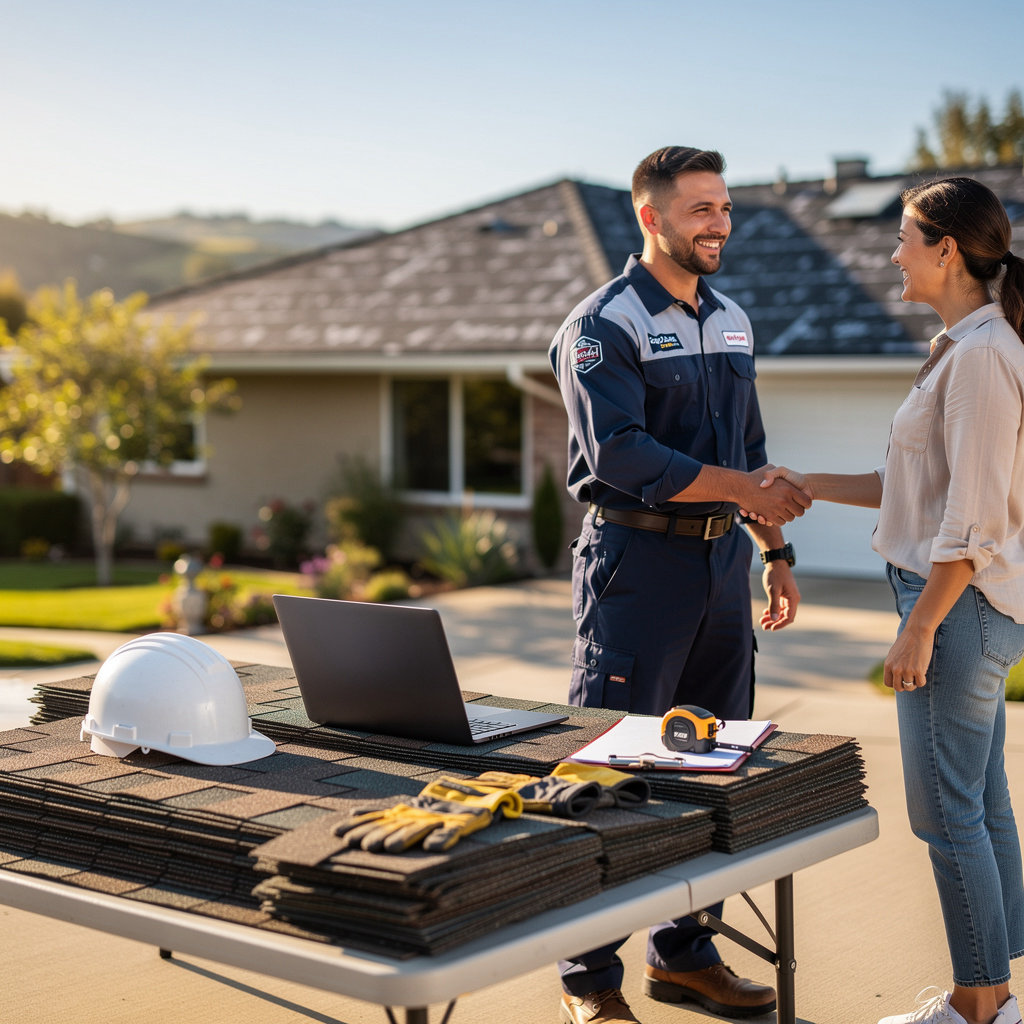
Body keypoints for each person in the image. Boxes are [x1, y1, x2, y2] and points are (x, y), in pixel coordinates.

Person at [548, 145, 811, 1024]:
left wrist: (774, 552)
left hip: (721, 567)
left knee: (707, 759)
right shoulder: (604, 324)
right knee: (611, 764)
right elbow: (621, 454)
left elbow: (749, 452)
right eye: (701, 209)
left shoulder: (731, 319)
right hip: (637, 565)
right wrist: (745, 492)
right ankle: (589, 979)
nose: (719, 224)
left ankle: (685, 954)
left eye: (725, 208)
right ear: (650, 217)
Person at [756, 176, 1024, 1024]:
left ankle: (977, 1007)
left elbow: (972, 520)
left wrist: (919, 628)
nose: (894, 254)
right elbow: (912, 485)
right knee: (978, 803)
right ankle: (997, 995)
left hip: (958, 610)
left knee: (947, 815)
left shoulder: (982, 356)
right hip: (964, 609)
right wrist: (806, 482)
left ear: (946, 249)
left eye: (905, 237)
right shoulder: (964, 347)